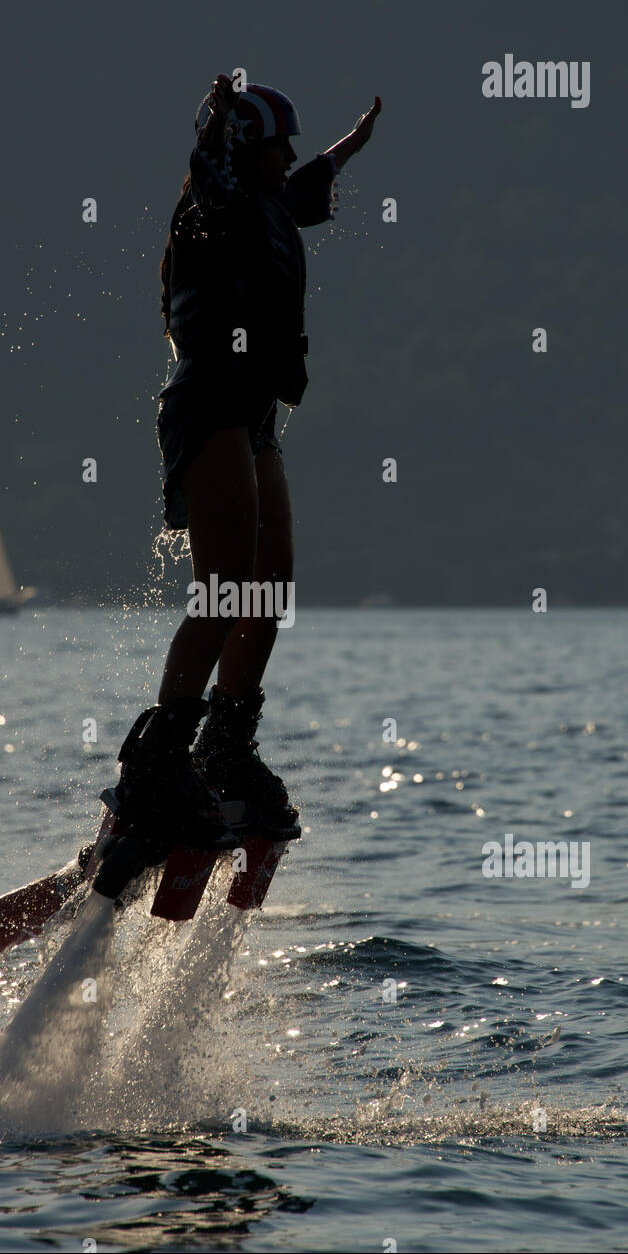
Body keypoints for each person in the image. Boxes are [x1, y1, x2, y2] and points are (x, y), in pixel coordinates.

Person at [101, 75, 381, 874]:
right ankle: (159, 761)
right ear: (237, 152)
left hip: (255, 413)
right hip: (209, 405)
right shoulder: (211, 211)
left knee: (269, 587)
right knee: (224, 590)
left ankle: (226, 742)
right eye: (275, 143)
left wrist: (346, 149)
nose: (288, 154)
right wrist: (219, 124)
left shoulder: (265, 204)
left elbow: (303, 183)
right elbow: (218, 168)